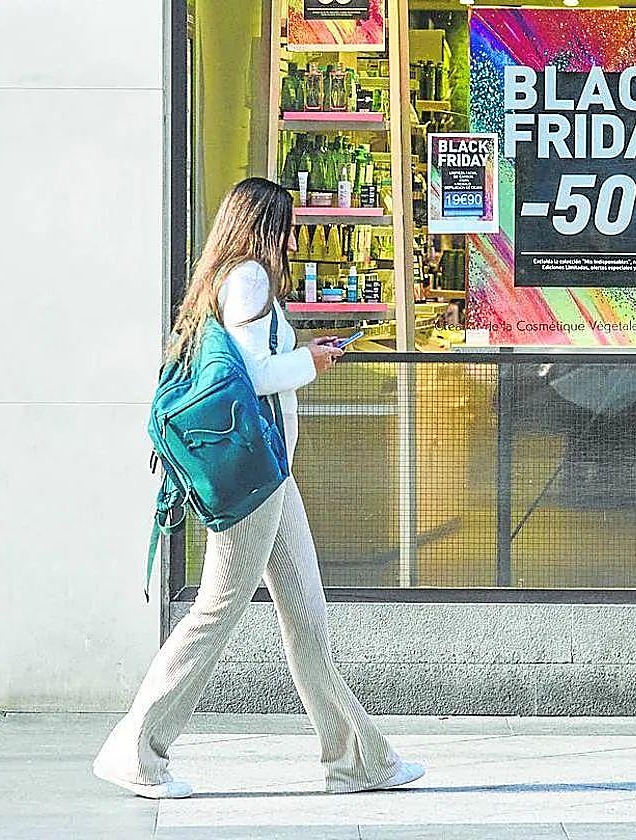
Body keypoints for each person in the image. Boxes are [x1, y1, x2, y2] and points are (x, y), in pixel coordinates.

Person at [93, 177, 424, 800]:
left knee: (308, 623)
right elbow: (250, 376)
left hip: (274, 478)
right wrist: (311, 363)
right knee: (215, 615)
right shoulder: (248, 279)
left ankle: (357, 761)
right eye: (289, 225)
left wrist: (302, 352)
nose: (295, 237)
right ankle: (135, 749)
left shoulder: (227, 279)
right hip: (255, 483)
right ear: (267, 226)